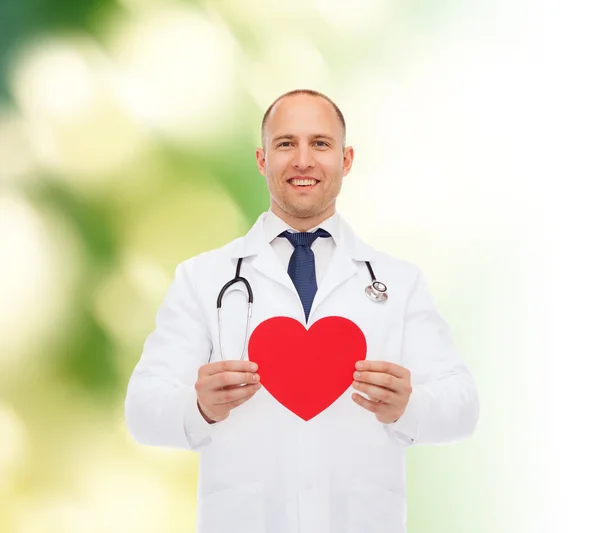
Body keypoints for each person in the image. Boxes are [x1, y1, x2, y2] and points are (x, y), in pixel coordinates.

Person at [124, 89, 480, 533]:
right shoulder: (202, 278)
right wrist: (199, 407)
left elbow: (463, 407)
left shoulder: (400, 281)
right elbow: (141, 411)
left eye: (321, 144)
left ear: (347, 160)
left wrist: (409, 406)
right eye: (286, 143)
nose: (303, 160)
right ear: (262, 159)